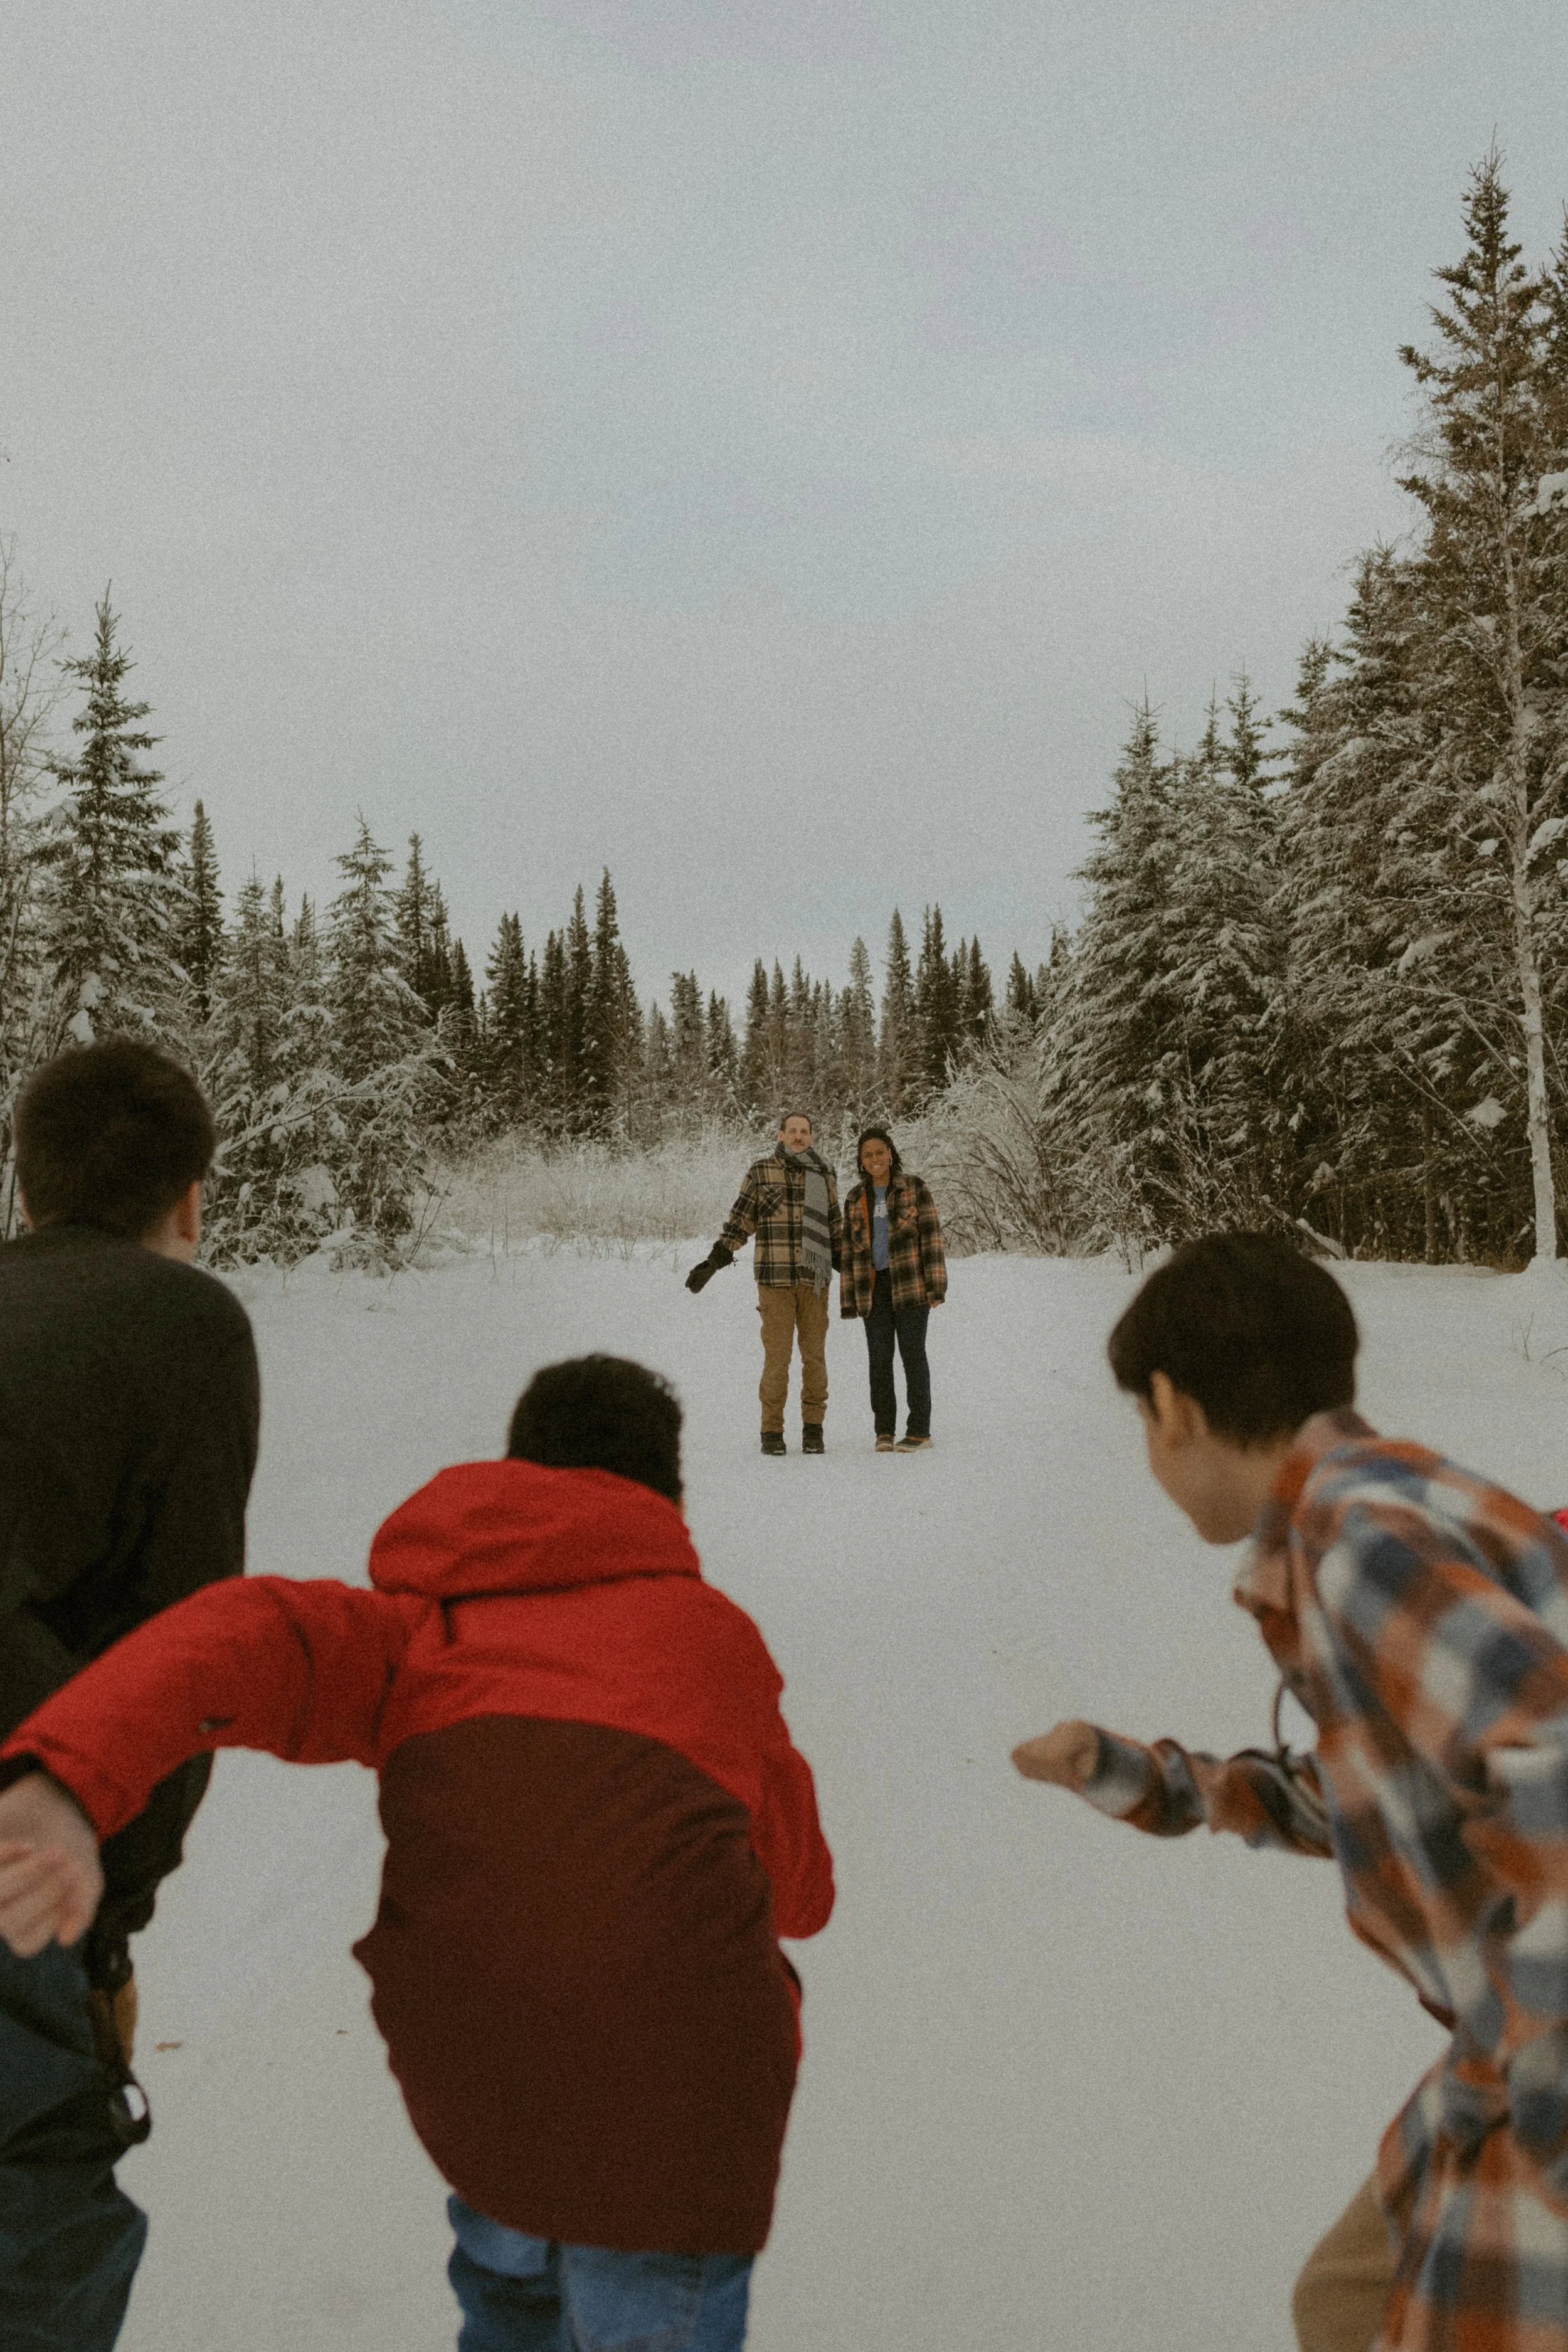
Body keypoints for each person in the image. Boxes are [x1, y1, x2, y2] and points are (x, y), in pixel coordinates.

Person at [0, 1355, 834, 2352]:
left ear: (516, 1475)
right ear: (673, 1500)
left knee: (509, 2289)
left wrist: (66, 1776)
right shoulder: (713, 1641)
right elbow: (801, 1890)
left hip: (488, 2094)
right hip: (678, 2115)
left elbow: (246, 1631)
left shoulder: (424, 1632)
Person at [1010, 1231, 1568, 2352]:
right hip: (1509, 2052)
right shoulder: (1385, 1502)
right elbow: (1404, 1790)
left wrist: (1537, 2100)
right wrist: (1155, 1781)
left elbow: (1554, 1768)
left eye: (1142, 1423)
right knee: (1349, 2299)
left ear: (1174, 1408)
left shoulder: (1359, 1543)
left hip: (1537, 2071)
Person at [0, 1037, 260, 2352]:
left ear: (26, 1186)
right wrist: (112, 1921)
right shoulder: (186, 1322)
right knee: (35, 2228)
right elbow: (181, 1648)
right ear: (191, 1201)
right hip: (21, 1840)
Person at [687, 1111, 842, 1458]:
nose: (799, 1136)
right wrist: (715, 1259)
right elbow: (741, 1220)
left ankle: (813, 1429)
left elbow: (834, 1225)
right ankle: (772, 1431)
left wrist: (853, 1268)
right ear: (781, 1135)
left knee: (815, 1358)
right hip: (775, 1279)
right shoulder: (761, 1172)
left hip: (815, 1281)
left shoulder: (825, 1173)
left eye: (805, 1131)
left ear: (812, 1137)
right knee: (777, 1359)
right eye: (793, 1131)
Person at [838, 1126, 946, 1452]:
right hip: (873, 1289)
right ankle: (884, 1431)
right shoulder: (855, 1198)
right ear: (861, 1160)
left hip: (910, 1285)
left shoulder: (914, 1187)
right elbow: (848, 1252)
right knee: (879, 1361)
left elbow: (932, 1236)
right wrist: (849, 1299)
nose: (875, 1159)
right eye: (868, 1154)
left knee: (913, 1357)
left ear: (890, 1154)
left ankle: (920, 1432)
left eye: (880, 1152)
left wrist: (936, 1286)